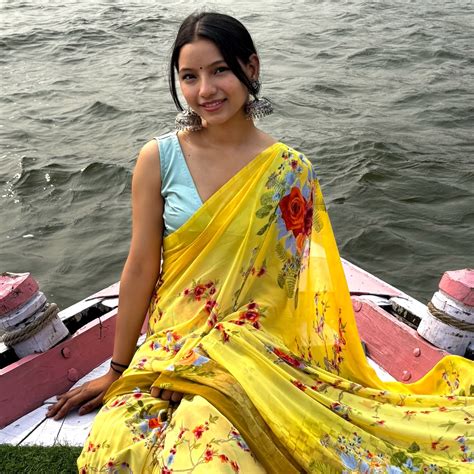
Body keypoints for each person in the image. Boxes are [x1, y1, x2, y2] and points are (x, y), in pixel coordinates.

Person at [47, 11, 473, 473]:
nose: (205, 90)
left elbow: (281, 295)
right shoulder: (159, 159)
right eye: (189, 76)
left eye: (220, 70)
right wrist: (117, 369)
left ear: (250, 67)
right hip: (170, 341)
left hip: (250, 349)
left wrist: (211, 360)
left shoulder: (289, 172)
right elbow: (141, 267)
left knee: (211, 453)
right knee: (116, 449)